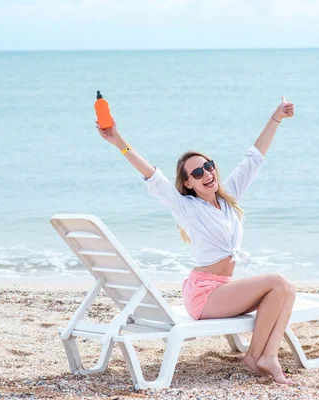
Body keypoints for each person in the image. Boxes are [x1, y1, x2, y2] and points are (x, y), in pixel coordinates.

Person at [97, 97, 296, 384]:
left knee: (286, 290)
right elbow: (152, 175)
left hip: (223, 289)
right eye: (198, 173)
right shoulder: (186, 207)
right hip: (204, 293)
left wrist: (276, 116)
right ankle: (262, 357)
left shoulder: (229, 198)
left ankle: (263, 355)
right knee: (278, 281)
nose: (207, 174)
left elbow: (254, 157)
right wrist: (119, 141)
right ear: (188, 183)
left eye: (209, 166)